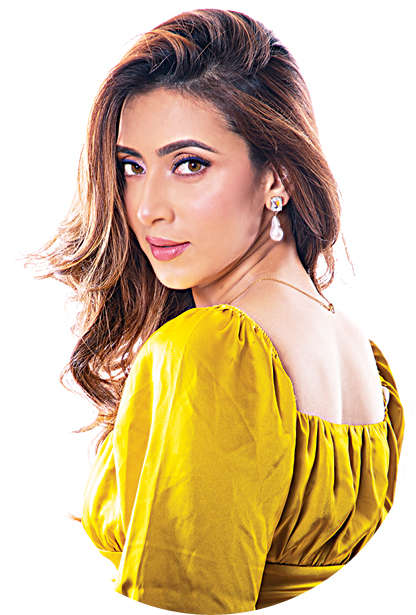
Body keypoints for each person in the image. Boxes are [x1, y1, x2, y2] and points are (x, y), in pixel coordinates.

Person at [23, 8, 405, 614]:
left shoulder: (209, 350)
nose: (147, 207)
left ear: (277, 175)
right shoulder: (363, 352)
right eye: (131, 167)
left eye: (190, 164)